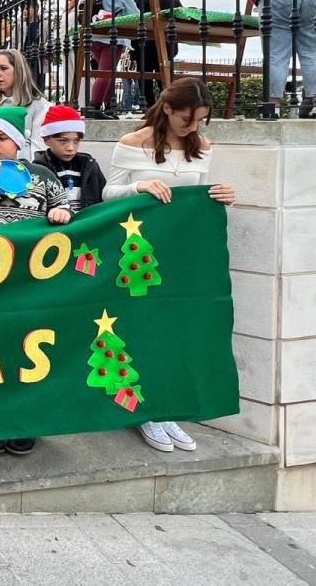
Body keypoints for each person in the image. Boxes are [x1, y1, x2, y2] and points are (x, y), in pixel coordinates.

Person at [102, 76, 236, 452]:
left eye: (200, 121)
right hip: (138, 252)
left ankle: (165, 407)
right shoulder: (132, 143)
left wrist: (221, 196)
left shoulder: (202, 146)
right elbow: (107, 193)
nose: (193, 128)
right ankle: (144, 410)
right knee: (143, 326)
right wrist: (138, 188)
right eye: (186, 121)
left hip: (182, 251)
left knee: (176, 329)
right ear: (167, 109)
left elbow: (198, 193)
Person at [0, 106, 69, 457]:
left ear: (17, 142)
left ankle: (23, 420)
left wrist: (60, 213)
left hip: (27, 281)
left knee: (26, 348)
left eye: (2, 138)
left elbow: (66, 210)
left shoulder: (42, 175)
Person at [32, 105, 106, 213]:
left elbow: (103, 199)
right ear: (46, 140)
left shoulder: (89, 165)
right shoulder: (39, 168)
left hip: (87, 225)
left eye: (76, 141)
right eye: (63, 141)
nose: (70, 148)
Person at [88, 0, 138, 114]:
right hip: (112, 36)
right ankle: (94, 106)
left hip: (96, 34)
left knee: (107, 72)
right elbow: (134, 12)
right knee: (106, 72)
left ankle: (110, 106)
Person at [132, 0, 183, 107]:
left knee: (145, 78)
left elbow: (131, 21)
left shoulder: (138, 0)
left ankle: (148, 106)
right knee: (164, 77)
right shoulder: (173, 0)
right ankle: (166, 105)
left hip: (144, 47)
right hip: (168, 46)